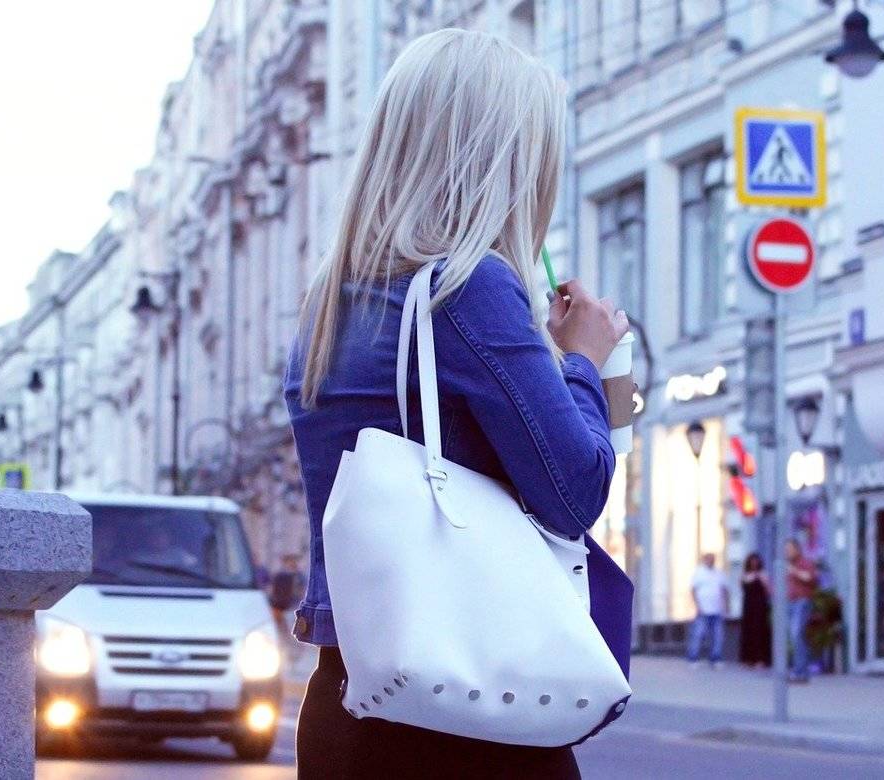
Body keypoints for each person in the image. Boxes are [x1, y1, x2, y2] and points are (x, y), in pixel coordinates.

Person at [283, 29, 628, 778]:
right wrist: (583, 361)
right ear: (504, 160)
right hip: (462, 710)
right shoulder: (468, 287)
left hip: (344, 702)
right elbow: (574, 491)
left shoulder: (327, 302)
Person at [687, 553, 730, 668]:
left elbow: (724, 589)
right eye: (709, 559)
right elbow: (693, 590)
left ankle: (715, 658)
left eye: (713, 559)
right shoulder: (699, 573)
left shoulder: (719, 573)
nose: (711, 561)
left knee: (718, 636)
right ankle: (693, 658)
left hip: (717, 609)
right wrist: (697, 605)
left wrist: (726, 606)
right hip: (703, 609)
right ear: (704, 560)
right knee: (698, 634)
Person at [785, 539, 817, 683]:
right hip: (790, 603)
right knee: (795, 637)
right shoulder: (787, 565)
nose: (787, 552)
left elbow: (811, 578)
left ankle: (800, 671)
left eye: (790, 549)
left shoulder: (805, 563)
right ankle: (799, 670)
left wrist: (795, 571)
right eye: (786, 549)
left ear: (797, 550)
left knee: (797, 634)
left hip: (802, 602)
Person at [739, 552, 772, 668]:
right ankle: (748, 658)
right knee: (748, 631)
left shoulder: (763, 574)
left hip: (760, 606)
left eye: (756, 561)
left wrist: (762, 580)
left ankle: (761, 659)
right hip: (748, 606)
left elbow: (768, 590)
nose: (754, 563)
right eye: (752, 561)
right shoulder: (745, 574)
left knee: (760, 631)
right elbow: (742, 587)